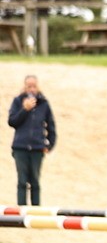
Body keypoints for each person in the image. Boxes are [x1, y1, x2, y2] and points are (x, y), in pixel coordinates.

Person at [8, 74, 56, 206]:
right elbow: (12, 122)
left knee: (35, 181)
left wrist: (49, 145)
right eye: (29, 86)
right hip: (20, 148)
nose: (31, 89)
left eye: (34, 86)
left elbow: (51, 126)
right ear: (24, 87)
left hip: (37, 148)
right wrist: (25, 109)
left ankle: (36, 211)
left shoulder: (44, 104)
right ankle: (21, 211)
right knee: (22, 181)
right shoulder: (17, 101)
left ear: (38, 86)